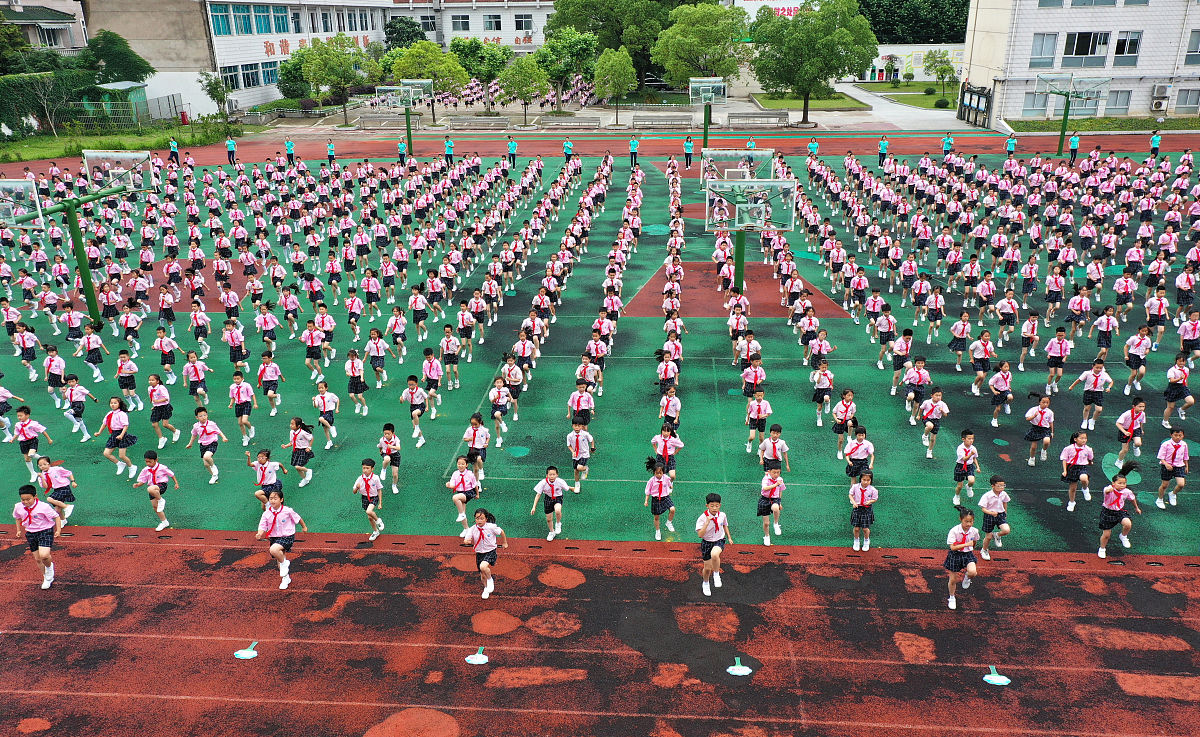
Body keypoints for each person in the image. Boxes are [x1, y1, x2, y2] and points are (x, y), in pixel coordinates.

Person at [255, 489, 307, 590]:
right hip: (274, 537)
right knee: (280, 558)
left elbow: (298, 518)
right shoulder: (267, 513)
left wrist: (304, 527)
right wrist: (259, 533)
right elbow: (262, 525)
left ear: (281, 499)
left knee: (274, 550)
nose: (272, 501)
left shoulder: (287, 511)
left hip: (287, 536)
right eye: (270, 499)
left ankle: (285, 563)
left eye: (275, 498)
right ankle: (285, 578)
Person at [14, 484, 60, 588]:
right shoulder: (18, 506)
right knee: (38, 559)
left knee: (44, 555)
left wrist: (58, 530)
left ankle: (49, 568)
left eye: (28, 499)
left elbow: (56, 516)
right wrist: (18, 530)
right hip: (30, 533)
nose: (25, 502)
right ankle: (46, 578)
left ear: (35, 496)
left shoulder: (43, 506)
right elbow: (17, 517)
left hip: (45, 531)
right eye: (23, 499)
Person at [1099, 462, 1142, 558]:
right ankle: (1102, 548)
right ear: (1113, 483)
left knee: (1128, 524)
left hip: (1119, 511)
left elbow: (1132, 498)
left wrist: (1136, 508)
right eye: (1119, 483)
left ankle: (1123, 536)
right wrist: (1109, 490)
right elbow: (1106, 490)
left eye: (1124, 483)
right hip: (1107, 512)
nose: (1122, 485)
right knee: (1106, 535)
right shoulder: (1109, 489)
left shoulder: (1127, 491)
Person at [465, 508, 507, 599]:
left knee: (483, 566)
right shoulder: (472, 529)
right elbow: (467, 539)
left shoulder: (491, 527)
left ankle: (490, 579)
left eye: (482, 518)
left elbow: (501, 532)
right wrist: (467, 541)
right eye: (477, 518)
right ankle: (486, 588)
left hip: (490, 551)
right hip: (479, 552)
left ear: (486, 519)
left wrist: (504, 542)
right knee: (482, 574)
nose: (479, 521)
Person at [132, 449, 178, 531]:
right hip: (153, 489)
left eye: (150, 462)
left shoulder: (162, 467)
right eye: (146, 462)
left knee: (150, 489)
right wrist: (138, 484)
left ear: (156, 460)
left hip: (161, 485)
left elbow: (171, 474)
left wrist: (176, 483)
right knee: (155, 507)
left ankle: (161, 500)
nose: (148, 463)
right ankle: (164, 522)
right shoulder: (146, 470)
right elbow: (143, 480)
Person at [944, 505, 980, 610]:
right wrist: (965, 544)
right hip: (955, 555)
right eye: (966, 521)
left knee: (973, 572)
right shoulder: (954, 531)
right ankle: (951, 597)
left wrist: (971, 546)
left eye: (971, 521)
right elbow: (953, 547)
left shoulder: (974, 531)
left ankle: (967, 577)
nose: (969, 524)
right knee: (953, 579)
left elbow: (974, 541)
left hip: (967, 554)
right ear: (961, 519)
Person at [530, 465, 569, 541]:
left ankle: (558, 523)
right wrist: (534, 507)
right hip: (548, 498)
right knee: (549, 519)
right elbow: (538, 495)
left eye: (554, 474)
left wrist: (572, 488)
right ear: (547, 475)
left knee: (558, 510)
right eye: (550, 475)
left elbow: (567, 488)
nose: (552, 476)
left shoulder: (560, 481)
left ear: (557, 475)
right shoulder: (543, 483)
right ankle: (552, 532)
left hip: (558, 497)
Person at [978, 475, 1011, 560]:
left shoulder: (1003, 494)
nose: (1001, 487)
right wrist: (991, 513)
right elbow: (983, 508)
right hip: (989, 516)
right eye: (999, 486)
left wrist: (1005, 512)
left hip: (1000, 514)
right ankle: (984, 550)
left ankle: (997, 535)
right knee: (988, 537)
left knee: (1006, 530)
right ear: (992, 486)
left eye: (1003, 485)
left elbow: (1005, 502)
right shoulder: (987, 495)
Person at [447, 454, 480, 538]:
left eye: (462, 464)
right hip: (460, 492)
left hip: (469, 492)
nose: (460, 465)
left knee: (455, 497)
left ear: (466, 465)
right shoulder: (455, 474)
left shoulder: (470, 474)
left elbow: (475, 485)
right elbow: (453, 485)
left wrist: (477, 494)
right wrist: (448, 485)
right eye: (458, 463)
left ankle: (461, 514)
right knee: (462, 511)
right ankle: (466, 529)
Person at [353, 458, 385, 541]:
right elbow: (354, 492)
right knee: (370, 517)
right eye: (364, 468)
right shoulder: (360, 479)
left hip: (373, 497)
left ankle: (378, 521)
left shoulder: (375, 478)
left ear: (372, 469)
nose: (365, 470)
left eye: (367, 468)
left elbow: (379, 489)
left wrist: (380, 503)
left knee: (369, 511)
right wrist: (357, 487)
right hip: (364, 498)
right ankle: (375, 531)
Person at [1156, 428, 1188, 509]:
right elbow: (1161, 457)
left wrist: (1186, 466)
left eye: (1180, 435)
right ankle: (1159, 499)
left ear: (1183, 436)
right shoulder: (1166, 444)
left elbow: (1185, 456)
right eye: (1175, 435)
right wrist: (1166, 464)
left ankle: (1173, 493)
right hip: (1167, 466)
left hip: (1179, 465)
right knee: (1164, 485)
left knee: (1181, 484)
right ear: (1171, 435)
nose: (1178, 437)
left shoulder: (1184, 444)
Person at [643, 460, 675, 540]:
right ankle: (658, 531)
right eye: (657, 473)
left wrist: (670, 487)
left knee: (672, 509)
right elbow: (648, 492)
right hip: (656, 499)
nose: (659, 475)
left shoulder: (666, 478)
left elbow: (669, 484)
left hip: (665, 497)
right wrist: (646, 501)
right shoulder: (651, 481)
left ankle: (669, 522)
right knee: (657, 517)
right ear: (654, 472)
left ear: (663, 472)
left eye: (660, 473)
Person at [849, 470, 878, 551]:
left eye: (868, 480)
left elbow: (875, 498)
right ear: (860, 479)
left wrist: (870, 501)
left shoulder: (873, 490)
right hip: (857, 508)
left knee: (865, 528)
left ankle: (866, 540)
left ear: (871, 480)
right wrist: (854, 502)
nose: (866, 482)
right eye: (864, 480)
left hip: (866, 509)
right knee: (856, 528)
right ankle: (856, 540)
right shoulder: (855, 487)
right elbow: (850, 495)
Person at [758, 466, 785, 546]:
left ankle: (776, 524)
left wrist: (779, 502)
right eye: (774, 472)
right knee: (766, 523)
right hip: (765, 499)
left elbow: (780, 490)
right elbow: (765, 488)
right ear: (769, 471)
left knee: (776, 508)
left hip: (775, 499)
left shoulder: (780, 480)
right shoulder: (765, 479)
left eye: (778, 472)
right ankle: (767, 536)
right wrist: (775, 484)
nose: (776, 474)